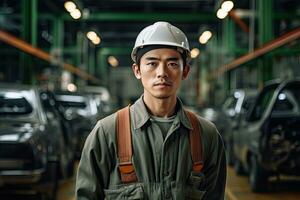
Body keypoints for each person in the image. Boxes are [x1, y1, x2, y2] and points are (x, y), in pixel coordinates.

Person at [76, 21, 226, 200]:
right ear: (137, 70)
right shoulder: (107, 133)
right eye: (152, 63)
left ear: (185, 71)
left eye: (172, 64)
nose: (162, 73)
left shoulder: (206, 135)